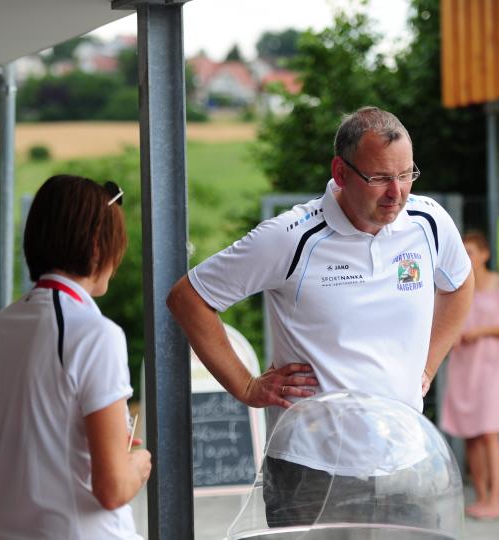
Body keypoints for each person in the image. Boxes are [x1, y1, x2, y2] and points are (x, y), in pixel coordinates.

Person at [167, 106, 474, 526]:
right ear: (341, 172)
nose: (396, 193)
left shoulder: (428, 221)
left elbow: (459, 284)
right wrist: (245, 386)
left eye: (405, 175)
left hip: (406, 459)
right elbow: (189, 298)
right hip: (311, 469)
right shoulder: (291, 237)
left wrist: (429, 363)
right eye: (380, 177)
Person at [0, 175, 151, 539]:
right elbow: (112, 490)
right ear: (96, 246)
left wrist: (50, 450)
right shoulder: (96, 334)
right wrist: (136, 465)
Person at [438, 230, 499, 520]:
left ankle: (496, 499)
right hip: (463, 366)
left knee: (489, 433)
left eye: (471, 252)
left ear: (485, 254)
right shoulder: (457, 285)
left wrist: (481, 332)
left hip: (491, 367)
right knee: (471, 435)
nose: (467, 257)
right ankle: (482, 497)